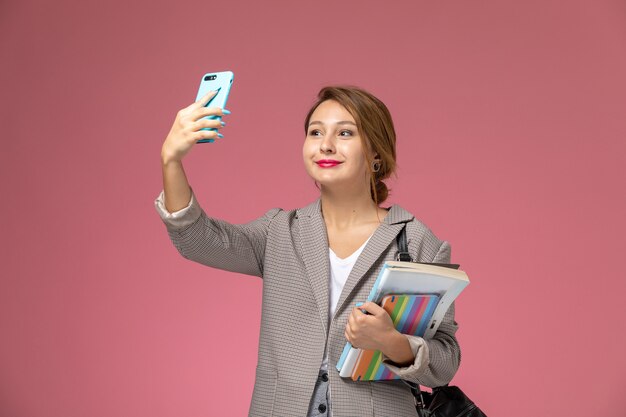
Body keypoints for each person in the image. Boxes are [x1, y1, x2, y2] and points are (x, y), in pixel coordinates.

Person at [155, 86, 460, 417]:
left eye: (345, 132)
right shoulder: (280, 232)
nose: (325, 144)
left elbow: (445, 361)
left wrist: (392, 343)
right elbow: (198, 239)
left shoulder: (414, 240)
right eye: (316, 132)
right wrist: (171, 160)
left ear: (376, 153)